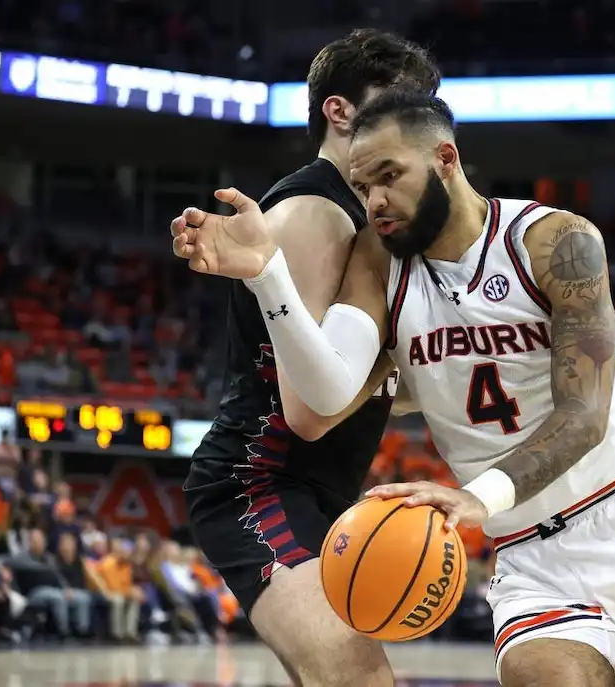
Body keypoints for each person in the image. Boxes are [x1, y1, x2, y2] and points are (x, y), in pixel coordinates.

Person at [170, 89, 615, 687]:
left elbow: (584, 414)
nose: (376, 201)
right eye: (363, 187)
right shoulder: (378, 260)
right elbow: (328, 394)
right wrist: (268, 275)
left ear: (446, 159)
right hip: (532, 551)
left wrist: (477, 498)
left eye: (390, 176)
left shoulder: (555, 240)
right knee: (539, 674)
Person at [180, 30, 439, 687]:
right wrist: (391, 364)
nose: (413, 123)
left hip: (319, 490)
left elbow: (366, 386)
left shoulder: (367, 216)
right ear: (339, 111)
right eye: (398, 103)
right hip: (258, 482)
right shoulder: (316, 212)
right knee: (360, 678)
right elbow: (309, 410)